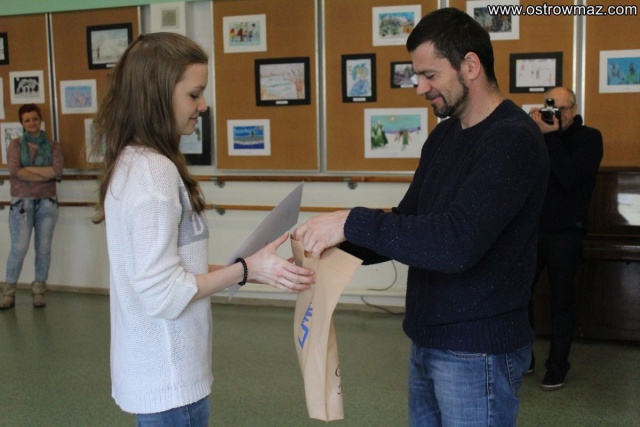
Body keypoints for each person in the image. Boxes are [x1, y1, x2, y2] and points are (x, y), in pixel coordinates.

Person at [293, 8, 549, 426]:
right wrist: (329, 246)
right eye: (418, 76)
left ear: (470, 65)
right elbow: (409, 222)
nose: (420, 88)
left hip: (477, 351)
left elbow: (454, 244)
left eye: (430, 75)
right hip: (428, 339)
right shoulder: (444, 135)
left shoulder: (512, 140)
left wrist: (349, 221)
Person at [91, 32, 314, 426]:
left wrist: (250, 270)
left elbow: (170, 271)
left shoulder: (137, 161)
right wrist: (245, 269)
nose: (203, 105)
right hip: (170, 382)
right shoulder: (154, 173)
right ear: (157, 95)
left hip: (165, 378)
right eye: (194, 94)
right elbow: (163, 294)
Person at [528, 87, 603, 390]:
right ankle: (524, 355)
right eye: (551, 109)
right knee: (518, 293)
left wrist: (550, 137)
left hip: (566, 231)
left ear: (574, 109)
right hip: (533, 230)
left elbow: (570, 176)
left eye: (563, 109)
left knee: (562, 300)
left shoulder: (589, 138)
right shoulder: (538, 137)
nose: (557, 115)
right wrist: (531, 132)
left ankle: (557, 365)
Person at [1, 104, 63, 310]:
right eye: (27, 120)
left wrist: (28, 170)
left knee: (43, 249)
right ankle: (9, 292)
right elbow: (14, 170)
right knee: (19, 249)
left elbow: (57, 171)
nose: (32, 123)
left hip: (47, 203)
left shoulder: (53, 146)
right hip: (22, 204)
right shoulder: (15, 145)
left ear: (40, 120)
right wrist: (44, 173)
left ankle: (38, 291)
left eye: (35, 118)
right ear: (22, 123)